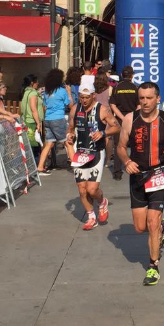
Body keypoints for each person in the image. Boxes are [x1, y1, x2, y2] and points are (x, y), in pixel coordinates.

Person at [117, 81, 164, 287]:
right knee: (140, 228)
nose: (145, 102)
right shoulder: (130, 119)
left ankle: (153, 266)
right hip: (137, 176)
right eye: (142, 98)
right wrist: (127, 161)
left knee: (153, 221)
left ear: (158, 99)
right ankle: (160, 232)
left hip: (159, 174)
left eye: (149, 98)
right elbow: (121, 147)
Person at [68, 77, 120, 231]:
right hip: (80, 153)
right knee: (82, 189)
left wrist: (103, 133)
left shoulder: (102, 109)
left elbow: (116, 127)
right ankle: (91, 217)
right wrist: (70, 135)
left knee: (92, 190)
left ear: (93, 96)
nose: (83, 101)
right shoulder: (74, 109)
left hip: (96, 152)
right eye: (81, 97)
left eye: (86, 97)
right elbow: (70, 128)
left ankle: (102, 202)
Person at [109, 66, 139, 180]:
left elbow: (112, 105)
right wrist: (131, 117)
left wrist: (122, 117)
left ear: (122, 75)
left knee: (119, 145)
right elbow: (139, 105)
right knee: (136, 144)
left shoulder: (117, 88)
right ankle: (135, 168)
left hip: (120, 120)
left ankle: (117, 173)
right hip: (133, 119)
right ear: (132, 75)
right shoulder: (135, 88)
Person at [20, 74, 44, 165]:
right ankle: (36, 166)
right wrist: (38, 123)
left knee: (29, 145)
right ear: (32, 83)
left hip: (26, 120)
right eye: (36, 81)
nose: (38, 83)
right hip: (32, 122)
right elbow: (33, 109)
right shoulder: (33, 94)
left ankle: (31, 165)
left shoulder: (26, 92)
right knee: (35, 146)